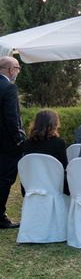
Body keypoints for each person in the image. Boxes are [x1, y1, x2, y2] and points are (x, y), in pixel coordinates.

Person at [0, 56, 25, 229]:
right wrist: (19, 140)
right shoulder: (9, 87)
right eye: (18, 68)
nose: (18, 71)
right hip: (6, 144)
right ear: (10, 70)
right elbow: (12, 118)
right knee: (4, 179)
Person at [22, 110, 69, 195]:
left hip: (33, 185)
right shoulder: (59, 143)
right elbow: (64, 168)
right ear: (54, 124)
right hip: (55, 186)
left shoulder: (27, 143)